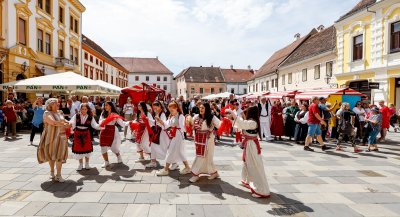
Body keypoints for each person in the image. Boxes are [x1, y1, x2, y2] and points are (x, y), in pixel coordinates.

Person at [227, 106, 270, 198]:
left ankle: (261, 190)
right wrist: (229, 120)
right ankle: (246, 181)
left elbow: (242, 123)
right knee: (246, 163)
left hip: (252, 146)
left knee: (254, 165)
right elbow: (239, 125)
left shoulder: (253, 122)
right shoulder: (251, 122)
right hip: (249, 145)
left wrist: (233, 113)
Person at [155, 100, 191, 176]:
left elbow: (183, 128)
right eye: (169, 109)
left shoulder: (180, 116)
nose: (170, 111)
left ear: (176, 108)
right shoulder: (172, 116)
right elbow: (166, 124)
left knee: (171, 151)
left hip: (178, 136)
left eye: (172, 109)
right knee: (180, 153)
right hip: (175, 136)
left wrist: (187, 123)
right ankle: (187, 167)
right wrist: (159, 120)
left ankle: (165, 169)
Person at [37, 98, 69, 182]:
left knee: (59, 156)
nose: (57, 104)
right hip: (51, 137)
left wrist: (68, 124)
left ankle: (58, 175)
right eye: (55, 103)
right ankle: (52, 172)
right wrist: (63, 123)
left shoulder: (60, 112)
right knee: (51, 155)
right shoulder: (47, 113)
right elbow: (53, 122)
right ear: (49, 105)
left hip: (62, 137)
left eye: (57, 103)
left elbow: (66, 122)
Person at [189, 102, 221, 183]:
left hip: (208, 140)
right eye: (200, 108)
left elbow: (220, 125)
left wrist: (227, 121)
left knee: (202, 156)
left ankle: (195, 174)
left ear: (206, 109)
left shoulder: (212, 117)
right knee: (205, 157)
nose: (201, 109)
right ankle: (214, 173)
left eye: (203, 108)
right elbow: (190, 123)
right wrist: (187, 119)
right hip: (199, 140)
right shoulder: (196, 116)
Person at [69, 103, 100, 170]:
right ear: (80, 109)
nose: (83, 110)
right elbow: (71, 123)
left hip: (86, 133)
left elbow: (95, 125)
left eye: (85, 109)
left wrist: (102, 125)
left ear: (87, 109)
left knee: (87, 149)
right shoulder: (76, 116)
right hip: (78, 133)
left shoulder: (90, 117)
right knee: (79, 149)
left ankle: (87, 163)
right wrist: (69, 128)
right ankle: (80, 164)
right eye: (82, 109)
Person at [99, 101, 125, 167]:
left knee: (114, 147)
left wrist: (129, 123)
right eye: (105, 105)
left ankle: (119, 157)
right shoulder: (103, 113)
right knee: (103, 146)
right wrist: (106, 120)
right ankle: (106, 161)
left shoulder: (115, 114)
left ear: (110, 106)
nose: (105, 107)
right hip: (104, 131)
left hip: (112, 131)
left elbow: (121, 123)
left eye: (107, 105)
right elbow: (100, 122)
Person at [145, 101, 169, 168]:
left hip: (161, 133)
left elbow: (163, 123)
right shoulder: (157, 113)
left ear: (160, 106)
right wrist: (148, 119)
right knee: (153, 146)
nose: (155, 110)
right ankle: (153, 162)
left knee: (165, 148)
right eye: (154, 108)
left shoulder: (162, 114)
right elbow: (155, 123)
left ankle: (173, 162)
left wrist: (158, 120)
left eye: (156, 108)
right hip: (157, 132)